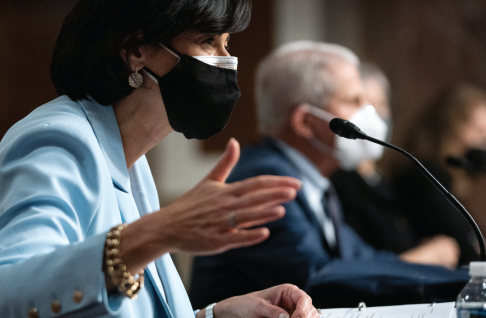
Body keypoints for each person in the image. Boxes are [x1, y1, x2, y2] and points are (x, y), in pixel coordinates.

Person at [0, 0, 319, 318]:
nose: (228, 60)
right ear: (136, 51)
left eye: (226, 43)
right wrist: (161, 231)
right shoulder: (59, 143)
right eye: (208, 42)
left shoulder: (131, 159)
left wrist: (214, 315)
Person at [190, 41, 467, 309]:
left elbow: (362, 259)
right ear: (305, 122)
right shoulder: (263, 178)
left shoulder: (316, 179)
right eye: (354, 101)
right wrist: (460, 280)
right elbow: (318, 279)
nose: (370, 113)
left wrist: (462, 276)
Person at [329, 63, 420, 253]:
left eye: (381, 105)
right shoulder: (336, 182)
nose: (375, 115)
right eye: (364, 106)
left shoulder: (383, 178)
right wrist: (419, 258)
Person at [394, 84, 486, 265]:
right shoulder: (425, 177)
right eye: (478, 131)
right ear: (450, 127)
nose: (481, 145)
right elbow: (463, 245)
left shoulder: (448, 181)